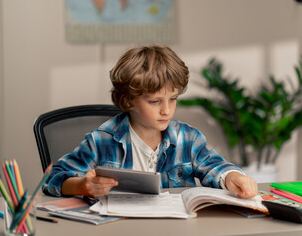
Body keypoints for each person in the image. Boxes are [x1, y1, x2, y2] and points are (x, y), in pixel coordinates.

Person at [42, 44, 258, 199]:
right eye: (155, 101)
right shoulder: (102, 140)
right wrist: (82, 186)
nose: (167, 110)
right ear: (129, 100)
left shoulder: (187, 138)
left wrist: (232, 177)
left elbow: (215, 167)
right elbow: (53, 178)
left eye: (173, 99)